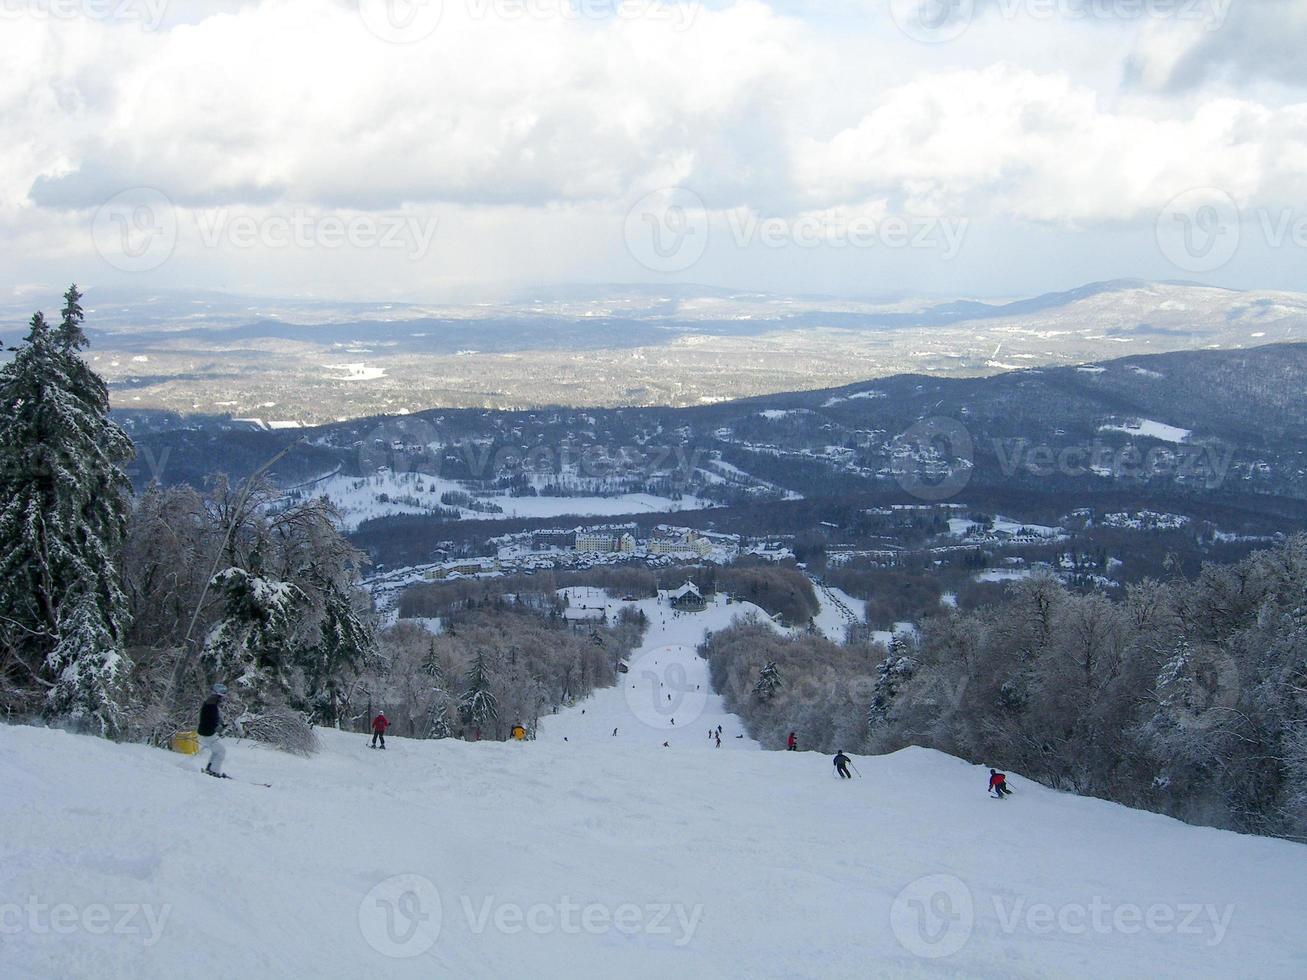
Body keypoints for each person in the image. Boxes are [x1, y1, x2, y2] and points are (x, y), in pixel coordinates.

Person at [198, 683, 227, 777]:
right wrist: (219, 728)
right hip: (207, 733)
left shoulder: (211, 702)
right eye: (222, 694)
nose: (223, 698)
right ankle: (213, 771)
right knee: (221, 751)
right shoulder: (212, 703)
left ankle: (210, 769)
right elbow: (212, 719)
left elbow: (213, 718)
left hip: (206, 732)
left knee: (217, 751)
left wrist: (220, 724)